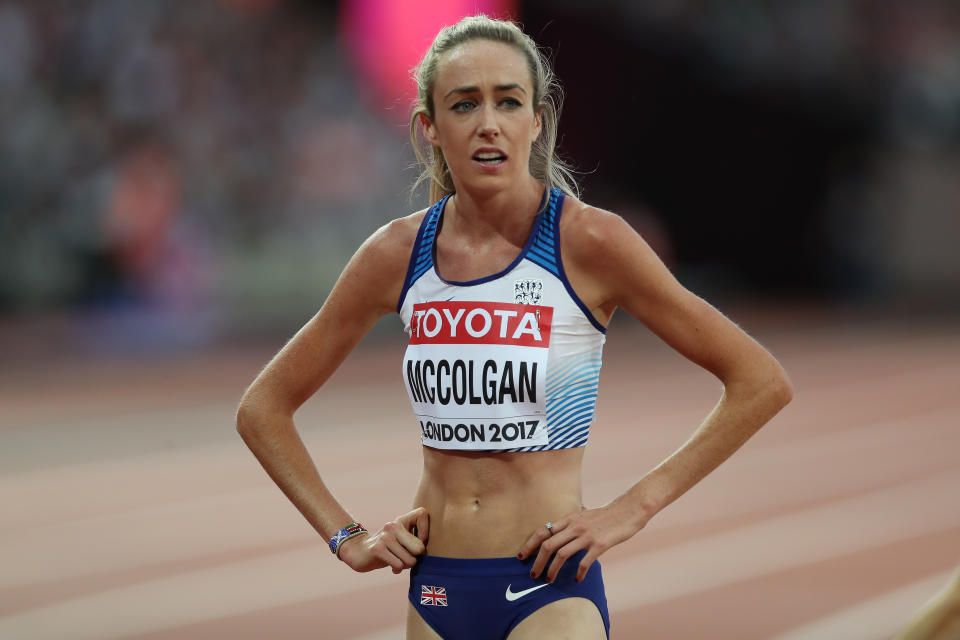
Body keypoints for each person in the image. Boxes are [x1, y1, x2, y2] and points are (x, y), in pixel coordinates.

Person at [236, 14, 793, 639]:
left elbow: (759, 380)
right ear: (430, 129)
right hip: (438, 590)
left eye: (508, 101)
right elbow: (263, 408)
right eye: (464, 104)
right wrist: (345, 536)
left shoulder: (589, 241)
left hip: (548, 587)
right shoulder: (397, 254)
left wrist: (630, 510)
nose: (488, 124)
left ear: (538, 121)